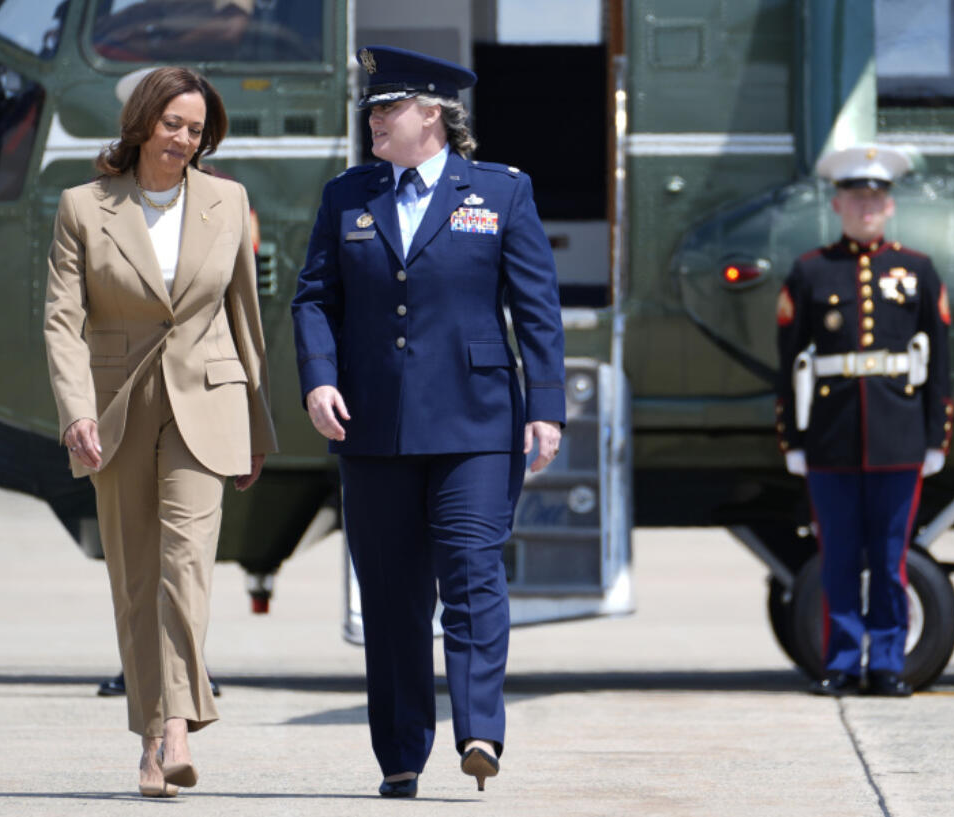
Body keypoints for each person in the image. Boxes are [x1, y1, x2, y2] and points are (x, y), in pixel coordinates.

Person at [291, 45, 566, 797]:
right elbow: (313, 298)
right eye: (372, 108)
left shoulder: (502, 192)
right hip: (373, 424)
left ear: (434, 115)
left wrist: (545, 408)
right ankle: (401, 752)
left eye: (390, 108)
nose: (373, 118)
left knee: (472, 573)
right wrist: (319, 380)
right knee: (391, 596)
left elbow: (538, 307)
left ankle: (479, 731)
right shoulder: (347, 194)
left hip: (476, 422)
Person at [44, 66, 276, 796]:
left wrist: (257, 427)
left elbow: (245, 317)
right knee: (137, 576)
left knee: (186, 567)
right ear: (144, 121)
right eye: (174, 123)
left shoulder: (228, 201)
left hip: (207, 404)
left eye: (197, 129)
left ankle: (173, 727)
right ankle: (154, 735)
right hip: (115, 407)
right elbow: (61, 320)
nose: (184, 138)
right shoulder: (84, 207)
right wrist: (76, 409)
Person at [775, 144, 952, 697]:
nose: (866, 206)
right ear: (837, 203)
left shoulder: (918, 270)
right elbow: (787, 365)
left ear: (889, 206)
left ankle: (890, 665)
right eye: (856, 196)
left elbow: (941, 361)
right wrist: (794, 438)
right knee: (839, 562)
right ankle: (843, 663)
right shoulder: (810, 272)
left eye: (876, 196)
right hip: (831, 440)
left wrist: (935, 436)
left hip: (899, 440)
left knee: (890, 561)